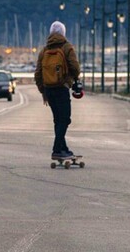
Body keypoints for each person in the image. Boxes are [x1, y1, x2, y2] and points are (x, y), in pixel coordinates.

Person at [34, 21, 81, 159]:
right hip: (62, 88)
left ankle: (63, 148)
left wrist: (43, 91)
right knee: (65, 119)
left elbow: (38, 73)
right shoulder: (67, 48)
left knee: (57, 120)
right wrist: (73, 79)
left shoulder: (44, 50)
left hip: (49, 89)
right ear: (63, 32)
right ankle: (56, 149)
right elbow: (75, 68)